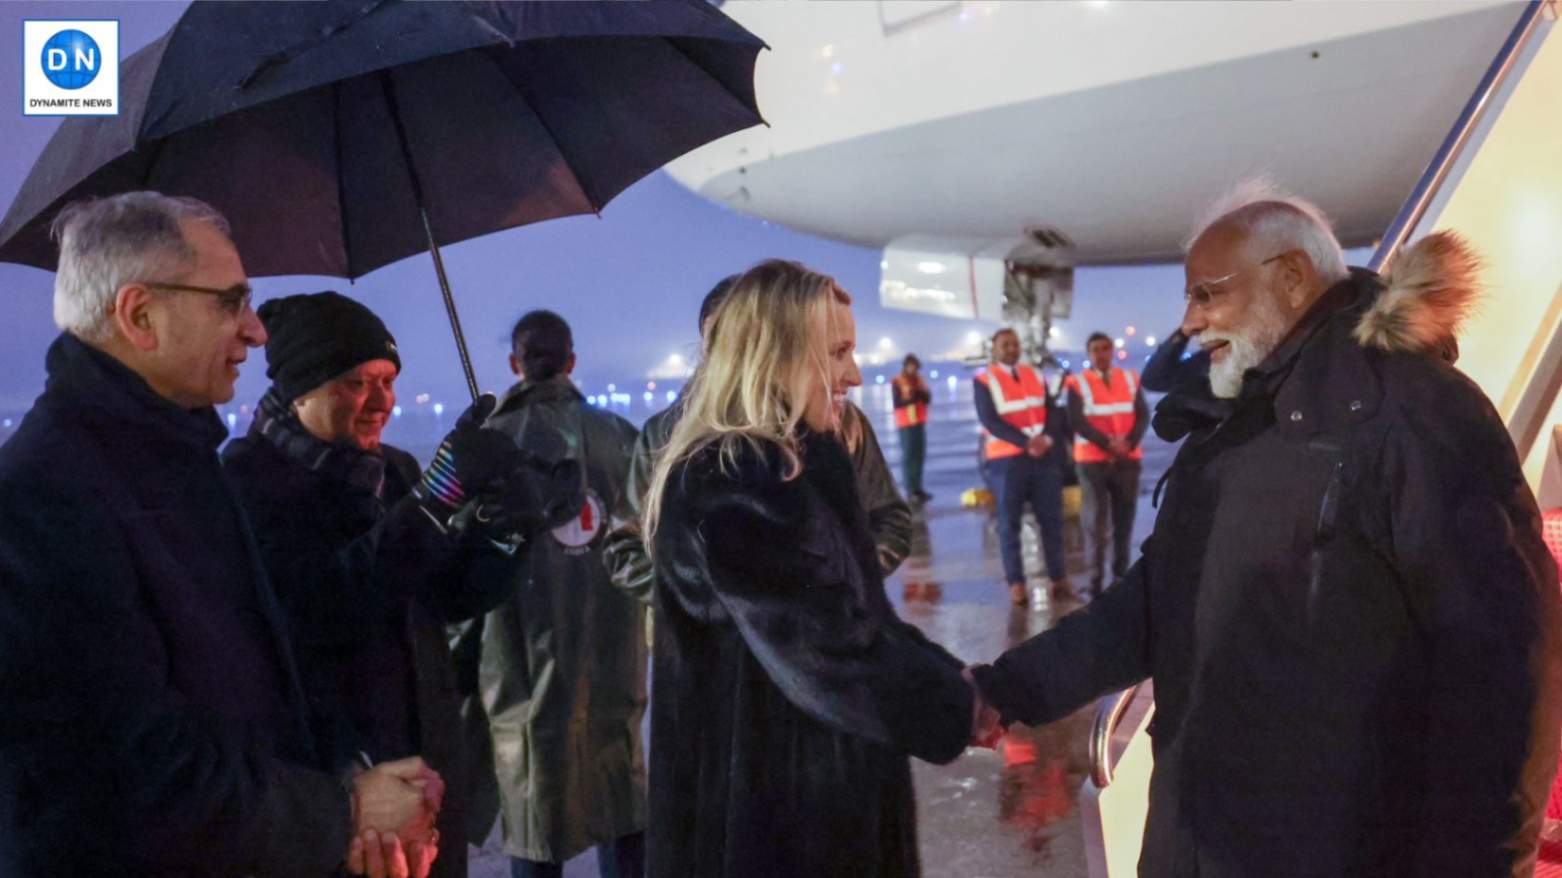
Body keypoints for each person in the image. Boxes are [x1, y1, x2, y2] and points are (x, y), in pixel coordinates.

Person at [968, 185, 1562, 876]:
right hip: (1201, 840)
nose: (1188, 322)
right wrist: (1003, 691)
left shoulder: (1412, 415)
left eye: (1206, 294)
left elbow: (1505, 663)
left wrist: (1483, 864)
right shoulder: (1233, 417)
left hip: (1338, 849)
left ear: (1290, 278)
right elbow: (1156, 603)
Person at [0, 192, 437, 877]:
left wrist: (351, 777)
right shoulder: (42, 498)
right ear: (139, 315)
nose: (256, 331)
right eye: (229, 301)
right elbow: (127, 778)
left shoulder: (182, 464)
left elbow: (259, 684)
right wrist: (342, 812)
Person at [641, 259, 979, 878]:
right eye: (838, 352)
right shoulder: (733, 478)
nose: (854, 372)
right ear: (777, 354)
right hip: (771, 825)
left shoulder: (802, 461)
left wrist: (953, 675)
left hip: (819, 810)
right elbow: (823, 650)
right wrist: (959, 704)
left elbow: (860, 619)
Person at [222, 291, 572, 878]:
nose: (380, 402)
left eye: (388, 381)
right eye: (357, 383)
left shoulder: (391, 471)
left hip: (428, 764)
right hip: (340, 786)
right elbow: (323, 605)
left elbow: (449, 595)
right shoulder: (248, 484)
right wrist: (437, 498)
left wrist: (508, 531)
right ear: (300, 388)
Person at [606, 276, 912, 602]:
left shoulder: (842, 422)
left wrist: (844, 583)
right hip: (708, 646)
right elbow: (624, 548)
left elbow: (890, 519)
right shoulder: (668, 433)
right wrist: (711, 603)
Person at [477, 310, 647, 878]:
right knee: (620, 790)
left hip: (518, 664)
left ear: (513, 365)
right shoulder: (620, 437)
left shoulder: (488, 447)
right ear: (572, 361)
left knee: (533, 803)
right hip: (612, 657)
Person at [973, 327, 1073, 606]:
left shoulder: (1034, 374)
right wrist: (1026, 442)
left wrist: (1049, 438)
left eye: (1015, 344)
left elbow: (1052, 410)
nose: (1011, 349)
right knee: (1008, 524)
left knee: (1052, 520)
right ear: (993, 349)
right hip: (1007, 461)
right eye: (1005, 344)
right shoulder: (984, 380)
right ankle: (1016, 583)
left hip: (1043, 458)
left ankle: (1059, 579)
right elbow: (989, 420)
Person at [1064, 332, 1149, 596]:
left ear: (1112, 351)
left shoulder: (1130, 378)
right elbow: (1076, 420)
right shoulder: (1077, 383)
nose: (1101, 354)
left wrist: (1129, 444)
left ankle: (1121, 578)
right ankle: (1095, 581)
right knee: (1094, 523)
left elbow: (1143, 415)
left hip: (1127, 460)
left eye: (1105, 348)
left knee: (1124, 522)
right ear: (1088, 354)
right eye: (1095, 350)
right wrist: (1107, 444)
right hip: (1093, 461)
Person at [892, 354, 933, 503]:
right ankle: (910, 490)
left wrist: (919, 394)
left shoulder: (920, 381)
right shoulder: (897, 381)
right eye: (911, 365)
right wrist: (912, 398)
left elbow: (928, 398)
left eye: (915, 366)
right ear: (906, 366)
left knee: (919, 456)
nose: (914, 369)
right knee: (909, 457)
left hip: (919, 422)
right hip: (905, 424)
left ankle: (918, 488)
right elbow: (897, 402)